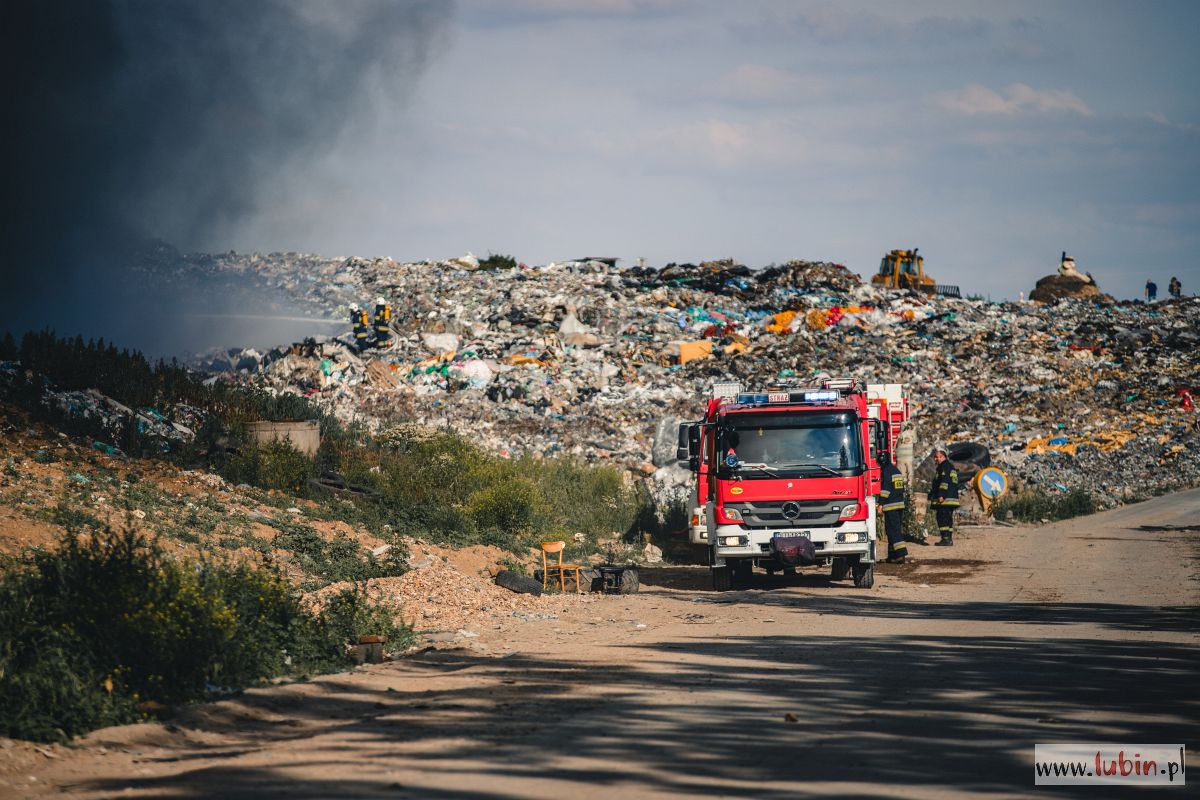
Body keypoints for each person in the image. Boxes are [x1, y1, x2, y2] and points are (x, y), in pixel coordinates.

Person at [928, 445, 959, 546]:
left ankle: (945, 539)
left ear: (942, 457)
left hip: (945, 499)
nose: (935, 459)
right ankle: (948, 538)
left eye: (937, 457)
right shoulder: (950, 466)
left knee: (942, 517)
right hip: (952, 498)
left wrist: (941, 495)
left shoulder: (943, 467)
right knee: (948, 518)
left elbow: (944, 482)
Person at [879, 457, 907, 563]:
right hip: (899, 505)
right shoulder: (896, 471)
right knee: (893, 530)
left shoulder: (887, 471)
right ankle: (892, 555)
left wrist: (881, 503)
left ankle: (901, 555)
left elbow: (885, 489)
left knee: (893, 531)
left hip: (891, 506)